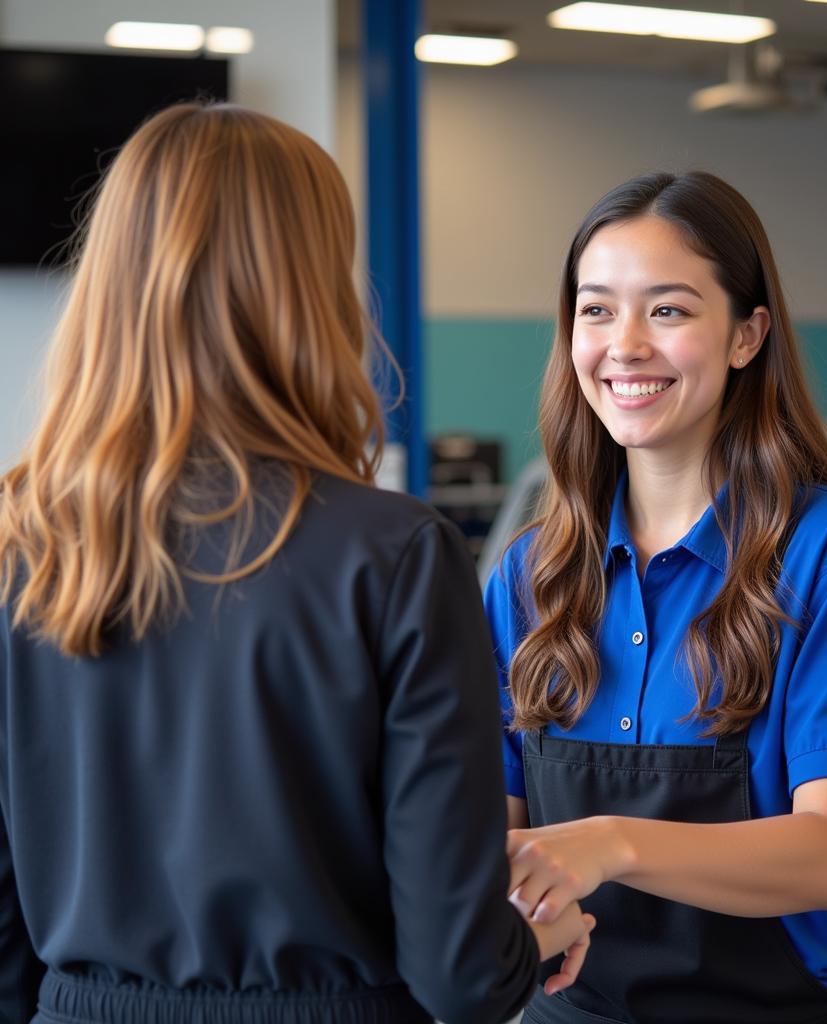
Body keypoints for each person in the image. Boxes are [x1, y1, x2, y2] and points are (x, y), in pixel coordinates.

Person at [0, 102, 594, 1024]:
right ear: (312, 287)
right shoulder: (393, 555)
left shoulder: (18, 545)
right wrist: (539, 938)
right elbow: (460, 972)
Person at [484, 171, 827, 1024]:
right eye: (595, 309)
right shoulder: (530, 576)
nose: (623, 345)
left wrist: (606, 844)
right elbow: (493, 837)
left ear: (746, 335)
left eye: (668, 310)